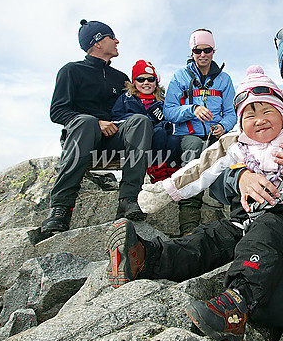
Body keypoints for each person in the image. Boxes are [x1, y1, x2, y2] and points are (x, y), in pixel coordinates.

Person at [124, 65, 283, 341]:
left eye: (267, 111)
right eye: (250, 113)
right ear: (239, 119)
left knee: (264, 238)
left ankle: (235, 303)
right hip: (247, 218)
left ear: (282, 112)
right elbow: (200, 170)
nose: (259, 120)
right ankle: (148, 257)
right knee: (210, 238)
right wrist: (163, 192)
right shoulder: (234, 145)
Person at [39, 20, 152, 240]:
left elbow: (126, 111)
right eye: (112, 37)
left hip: (112, 138)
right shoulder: (71, 71)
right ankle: (60, 209)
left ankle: (128, 200)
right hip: (81, 137)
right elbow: (58, 111)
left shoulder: (119, 78)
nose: (117, 41)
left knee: (140, 121)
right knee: (87, 122)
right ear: (98, 42)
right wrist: (96, 122)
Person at [164, 29, 237, 234]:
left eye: (207, 50)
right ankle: (188, 225)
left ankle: (237, 220)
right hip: (188, 135)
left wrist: (224, 125)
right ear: (192, 52)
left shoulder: (225, 79)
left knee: (236, 156)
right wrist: (192, 110)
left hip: (216, 135)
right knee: (194, 153)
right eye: (197, 50)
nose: (202, 55)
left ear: (214, 51)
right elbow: (168, 111)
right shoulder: (179, 77)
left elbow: (232, 112)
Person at [111, 59, 182, 181]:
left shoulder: (162, 101)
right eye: (140, 79)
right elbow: (117, 118)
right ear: (134, 82)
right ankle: (157, 172)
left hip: (164, 139)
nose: (146, 83)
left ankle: (173, 173)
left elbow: (172, 119)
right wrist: (145, 121)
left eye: (150, 79)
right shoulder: (126, 98)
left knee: (174, 140)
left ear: (156, 82)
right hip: (139, 138)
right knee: (157, 133)